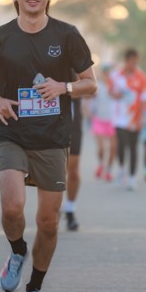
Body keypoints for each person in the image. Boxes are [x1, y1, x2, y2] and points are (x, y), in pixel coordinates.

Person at [0, 0, 97, 292]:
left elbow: (90, 83)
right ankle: (17, 250)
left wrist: (63, 87)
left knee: (49, 222)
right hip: (10, 132)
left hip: (53, 137)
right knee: (12, 208)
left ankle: (35, 289)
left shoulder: (67, 35)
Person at [109, 48, 146, 191]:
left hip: (135, 119)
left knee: (133, 148)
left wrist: (142, 118)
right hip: (119, 118)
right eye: (132, 62)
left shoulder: (141, 77)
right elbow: (110, 92)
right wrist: (116, 95)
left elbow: (145, 98)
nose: (134, 65)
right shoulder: (116, 75)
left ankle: (132, 178)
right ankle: (121, 170)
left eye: (136, 62)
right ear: (126, 61)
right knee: (121, 145)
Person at [90, 63, 116, 182]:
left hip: (112, 121)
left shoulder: (115, 87)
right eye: (106, 72)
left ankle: (108, 170)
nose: (108, 75)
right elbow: (91, 99)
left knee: (113, 148)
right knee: (101, 148)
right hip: (99, 119)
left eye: (109, 72)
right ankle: (101, 165)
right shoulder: (98, 86)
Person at [63, 96, 82, 231]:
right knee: (55, 171)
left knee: (73, 171)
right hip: (48, 125)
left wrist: (64, 87)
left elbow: (89, 89)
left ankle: (70, 209)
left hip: (73, 126)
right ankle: (54, 207)